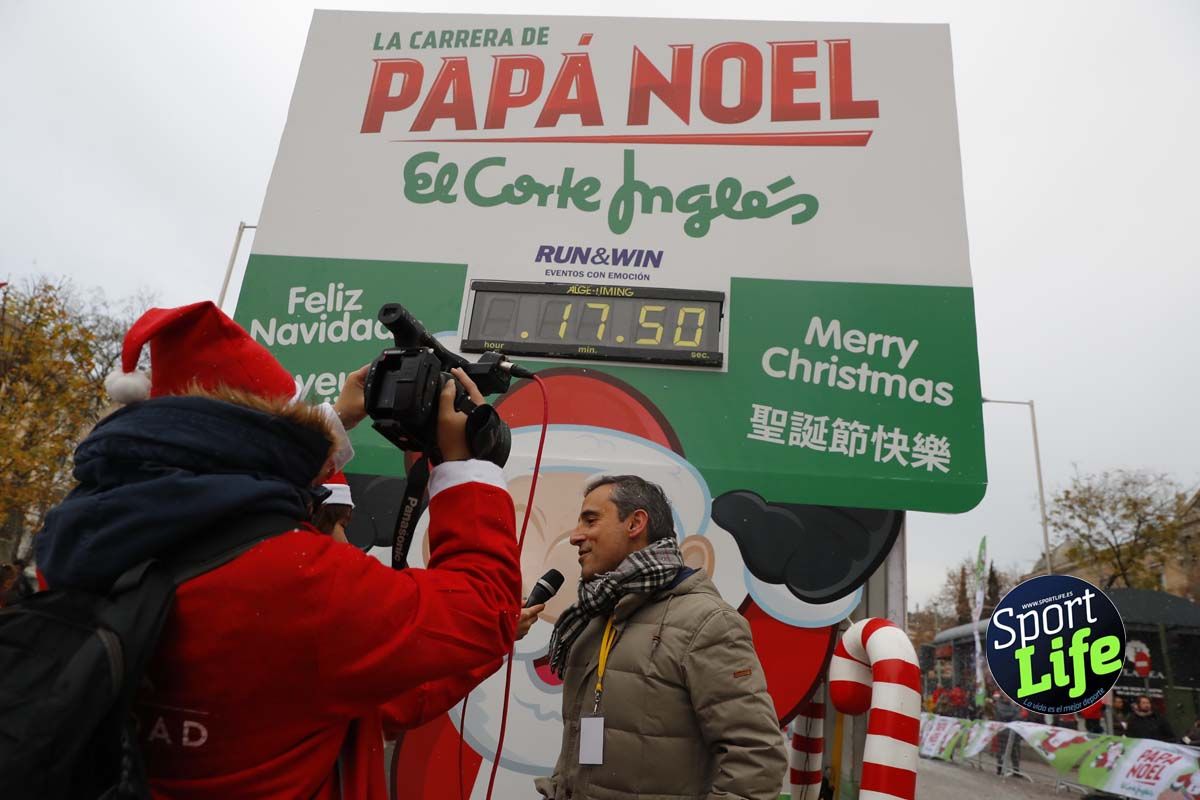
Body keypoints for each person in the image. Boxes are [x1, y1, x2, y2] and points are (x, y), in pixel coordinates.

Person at [34, 301, 522, 799]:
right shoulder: (298, 581)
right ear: (264, 438)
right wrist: (466, 467)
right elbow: (484, 609)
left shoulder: (78, 543)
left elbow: (217, 479)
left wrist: (332, 419)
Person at [530, 474, 786, 800]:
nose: (575, 536)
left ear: (636, 523)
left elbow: (757, 758)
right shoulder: (593, 616)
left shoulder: (707, 623)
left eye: (591, 520)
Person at [993, 690, 1023, 776]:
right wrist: (1015, 713)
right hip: (1004, 732)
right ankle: (1000, 768)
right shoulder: (999, 705)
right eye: (1006, 696)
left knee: (1015, 752)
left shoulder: (1013, 706)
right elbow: (1003, 715)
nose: (1008, 698)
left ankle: (1016, 770)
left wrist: (1016, 713)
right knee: (1002, 751)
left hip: (1014, 733)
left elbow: (1019, 717)